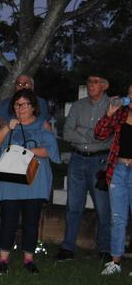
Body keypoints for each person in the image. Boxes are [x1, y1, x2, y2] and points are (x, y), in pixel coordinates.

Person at [0, 89, 60, 275]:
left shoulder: (41, 125)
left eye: (24, 104)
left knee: (31, 222)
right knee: (8, 222)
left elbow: (50, 150)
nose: (20, 108)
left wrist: (26, 151)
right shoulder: (9, 125)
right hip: (11, 183)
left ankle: (28, 260)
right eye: (16, 105)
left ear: (33, 107)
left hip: (33, 182)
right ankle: (3, 259)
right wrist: (7, 128)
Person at [56, 73, 111, 262]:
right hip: (78, 160)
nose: (90, 85)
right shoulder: (78, 106)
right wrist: (92, 135)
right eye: (88, 82)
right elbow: (67, 133)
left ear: (105, 85)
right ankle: (68, 248)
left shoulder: (112, 107)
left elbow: (108, 136)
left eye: (95, 82)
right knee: (73, 206)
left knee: (103, 207)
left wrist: (83, 131)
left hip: (100, 161)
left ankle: (105, 248)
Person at [93, 94, 132, 275]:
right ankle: (115, 261)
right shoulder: (120, 114)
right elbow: (99, 134)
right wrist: (109, 113)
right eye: (131, 93)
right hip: (118, 170)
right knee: (118, 218)